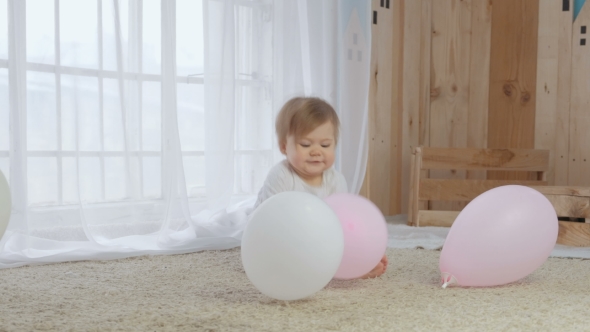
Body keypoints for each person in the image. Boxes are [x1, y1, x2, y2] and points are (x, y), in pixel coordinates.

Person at [253, 96, 388, 279]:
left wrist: (361, 253)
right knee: (287, 262)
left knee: (340, 242)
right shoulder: (281, 176)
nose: (316, 151)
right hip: (278, 238)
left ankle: (353, 268)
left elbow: (342, 226)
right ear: (284, 147)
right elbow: (270, 221)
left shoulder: (335, 180)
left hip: (315, 238)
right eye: (306, 144)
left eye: (325, 145)